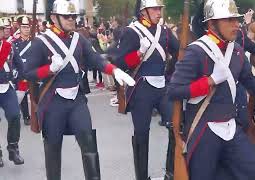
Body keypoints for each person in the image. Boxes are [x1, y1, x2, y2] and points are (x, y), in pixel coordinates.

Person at [168, 0, 255, 179]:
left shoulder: (236, 51)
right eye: (229, 20)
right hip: (204, 132)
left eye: (236, 19)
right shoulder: (197, 52)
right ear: (212, 24)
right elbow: (174, 91)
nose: (236, 24)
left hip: (231, 129)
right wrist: (210, 81)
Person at [24, 0, 135, 179]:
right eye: (66, 16)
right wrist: (49, 69)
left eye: (73, 16)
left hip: (76, 100)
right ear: (54, 18)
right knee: (53, 149)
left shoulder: (78, 39)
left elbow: (95, 59)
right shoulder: (41, 42)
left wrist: (114, 70)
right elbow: (28, 73)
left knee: (89, 145)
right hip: (53, 103)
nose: (71, 19)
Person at [114, 0, 179, 179]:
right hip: (141, 88)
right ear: (144, 12)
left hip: (162, 86)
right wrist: (138, 53)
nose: (159, 12)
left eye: (160, 9)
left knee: (176, 126)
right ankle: (142, 176)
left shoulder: (164, 31)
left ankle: (171, 172)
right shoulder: (131, 31)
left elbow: (179, 51)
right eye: (155, 9)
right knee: (142, 133)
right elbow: (119, 63)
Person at [0, 17, 25, 168]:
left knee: (15, 116)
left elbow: (20, 66)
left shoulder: (10, 46)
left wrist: (23, 82)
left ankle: (13, 148)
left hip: (6, 87)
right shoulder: (8, 45)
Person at [13, 16, 32, 125]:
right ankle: (26, 116)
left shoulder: (35, 42)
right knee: (22, 95)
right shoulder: (14, 43)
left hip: (33, 73)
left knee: (35, 96)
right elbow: (12, 60)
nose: (26, 29)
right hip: (21, 74)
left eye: (28, 27)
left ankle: (36, 115)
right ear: (20, 28)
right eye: (24, 27)